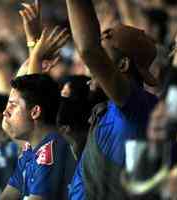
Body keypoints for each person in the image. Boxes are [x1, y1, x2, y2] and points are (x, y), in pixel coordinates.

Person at [65, 0, 159, 199]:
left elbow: (88, 49)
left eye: (103, 52)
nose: (90, 65)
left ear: (123, 64)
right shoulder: (104, 110)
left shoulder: (137, 106)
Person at [0, 74, 76, 200]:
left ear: (35, 112)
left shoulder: (52, 149)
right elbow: (8, 196)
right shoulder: (30, 148)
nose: (5, 112)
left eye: (13, 105)